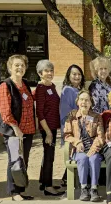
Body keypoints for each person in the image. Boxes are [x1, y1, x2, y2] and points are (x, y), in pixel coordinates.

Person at [0, 54, 35, 201]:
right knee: (14, 160)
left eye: (22, 65)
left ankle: (21, 189)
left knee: (23, 160)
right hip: (13, 131)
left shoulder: (24, 84)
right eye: (16, 65)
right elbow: (5, 111)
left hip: (28, 130)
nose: (20, 68)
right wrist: (16, 128)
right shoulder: (6, 85)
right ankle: (14, 192)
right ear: (10, 68)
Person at [64, 90, 105, 202]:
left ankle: (94, 189)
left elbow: (100, 136)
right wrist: (77, 142)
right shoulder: (72, 117)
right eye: (82, 99)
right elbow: (67, 135)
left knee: (94, 159)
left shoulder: (97, 117)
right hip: (79, 149)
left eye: (87, 100)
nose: (84, 102)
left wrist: (93, 148)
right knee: (82, 159)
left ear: (91, 103)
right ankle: (84, 189)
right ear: (77, 102)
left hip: (93, 147)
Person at [35, 60, 64, 196]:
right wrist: (48, 133)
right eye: (46, 71)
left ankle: (43, 182)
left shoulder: (51, 86)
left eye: (51, 70)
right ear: (40, 73)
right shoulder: (40, 89)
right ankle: (48, 186)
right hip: (47, 128)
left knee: (48, 154)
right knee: (49, 156)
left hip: (52, 126)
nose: (49, 73)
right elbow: (39, 112)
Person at [59, 64, 85, 185]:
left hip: (80, 127)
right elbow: (67, 112)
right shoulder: (67, 90)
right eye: (74, 74)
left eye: (79, 74)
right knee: (71, 154)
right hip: (71, 127)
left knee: (76, 154)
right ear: (69, 76)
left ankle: (68, 179)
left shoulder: (79, 90)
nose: (77, 76)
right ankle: (68, 180)